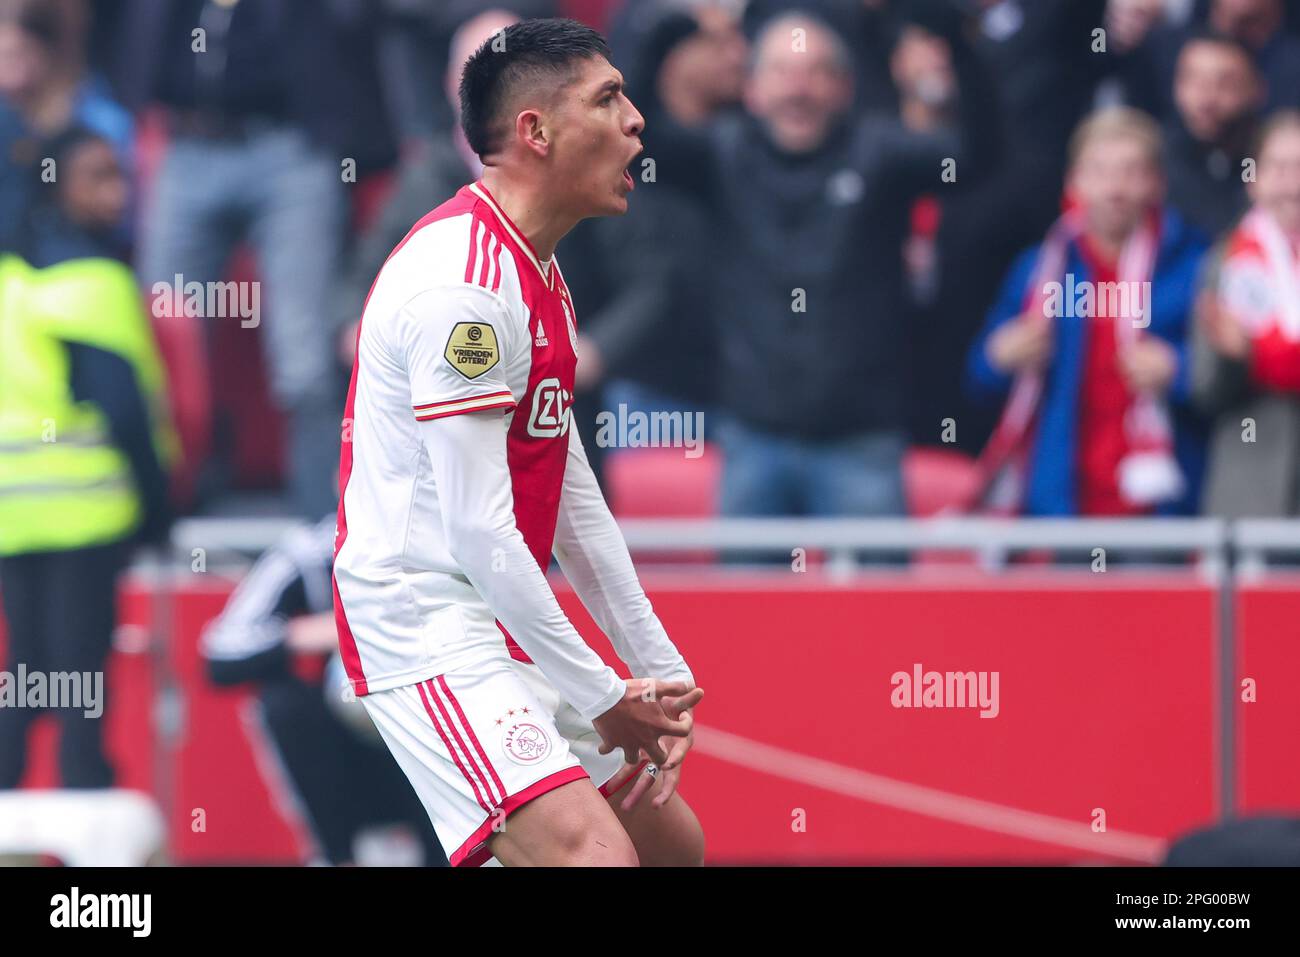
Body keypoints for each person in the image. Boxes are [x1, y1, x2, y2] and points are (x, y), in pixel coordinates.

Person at [333, 18, 704, 868]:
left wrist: (660, 668)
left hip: (497, 612)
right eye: (608, 98)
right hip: (423, 621)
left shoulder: (539, 273)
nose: (637, 119)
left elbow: (575, 503)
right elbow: (478, 533)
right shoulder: (462, 287)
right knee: (597, 859)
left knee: (672, 848)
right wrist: (606, 692)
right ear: (534, 133)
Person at [639, 4, 998, 520]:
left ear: (844, 87)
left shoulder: (879, 154)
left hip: (862, 437)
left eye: (816, 72)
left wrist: (957, 44)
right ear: (752, 89)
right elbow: (638, 147)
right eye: (781, 72)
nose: (798, 88)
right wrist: (662, 36)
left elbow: (976, 158)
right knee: (745, 602)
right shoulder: (724, 152)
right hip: (752, 434)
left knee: (876, 603)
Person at [965, 107, 1208, 516]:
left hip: (1160, 501)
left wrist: (1179, 369)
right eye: (1099, 171)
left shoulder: (1194, 265)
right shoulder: (1041, 268)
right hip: (1061, 501)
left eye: (1132, 172)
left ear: (1158, 183)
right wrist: (999, 356)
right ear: (1074, 181)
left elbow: (1229, 379)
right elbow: (978, 378)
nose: (1114, 188)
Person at [0, 250, 174, 789]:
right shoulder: (93, 285)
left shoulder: (10, 286)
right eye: (99, 176)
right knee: (79, 658)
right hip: (84, 511)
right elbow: (124, 409)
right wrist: (159, 512)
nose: (117, 194)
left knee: (23, 661)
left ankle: (8, 783)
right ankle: (85, 782)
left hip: (13, 512)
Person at [201, 516, 447, 866]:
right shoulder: (306, 555)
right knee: (285, 705)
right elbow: (221, 654)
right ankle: (336, 854)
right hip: (347, 753)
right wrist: (319, 633)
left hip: (429, 733)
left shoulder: (444, 544)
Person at [1193, 111, 1300, 515]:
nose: (1293, 185)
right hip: (1252, 488)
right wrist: (1234, 359)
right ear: (1253, 179)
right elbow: (1205, 392)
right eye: (1279, 168)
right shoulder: (1226, 261)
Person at [1163, 30, 1264, 239]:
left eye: (1225, 84)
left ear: (1257, 89)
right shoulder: (1156, 160)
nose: (1206, 99)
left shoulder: (1274, 161)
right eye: (1194, 81)